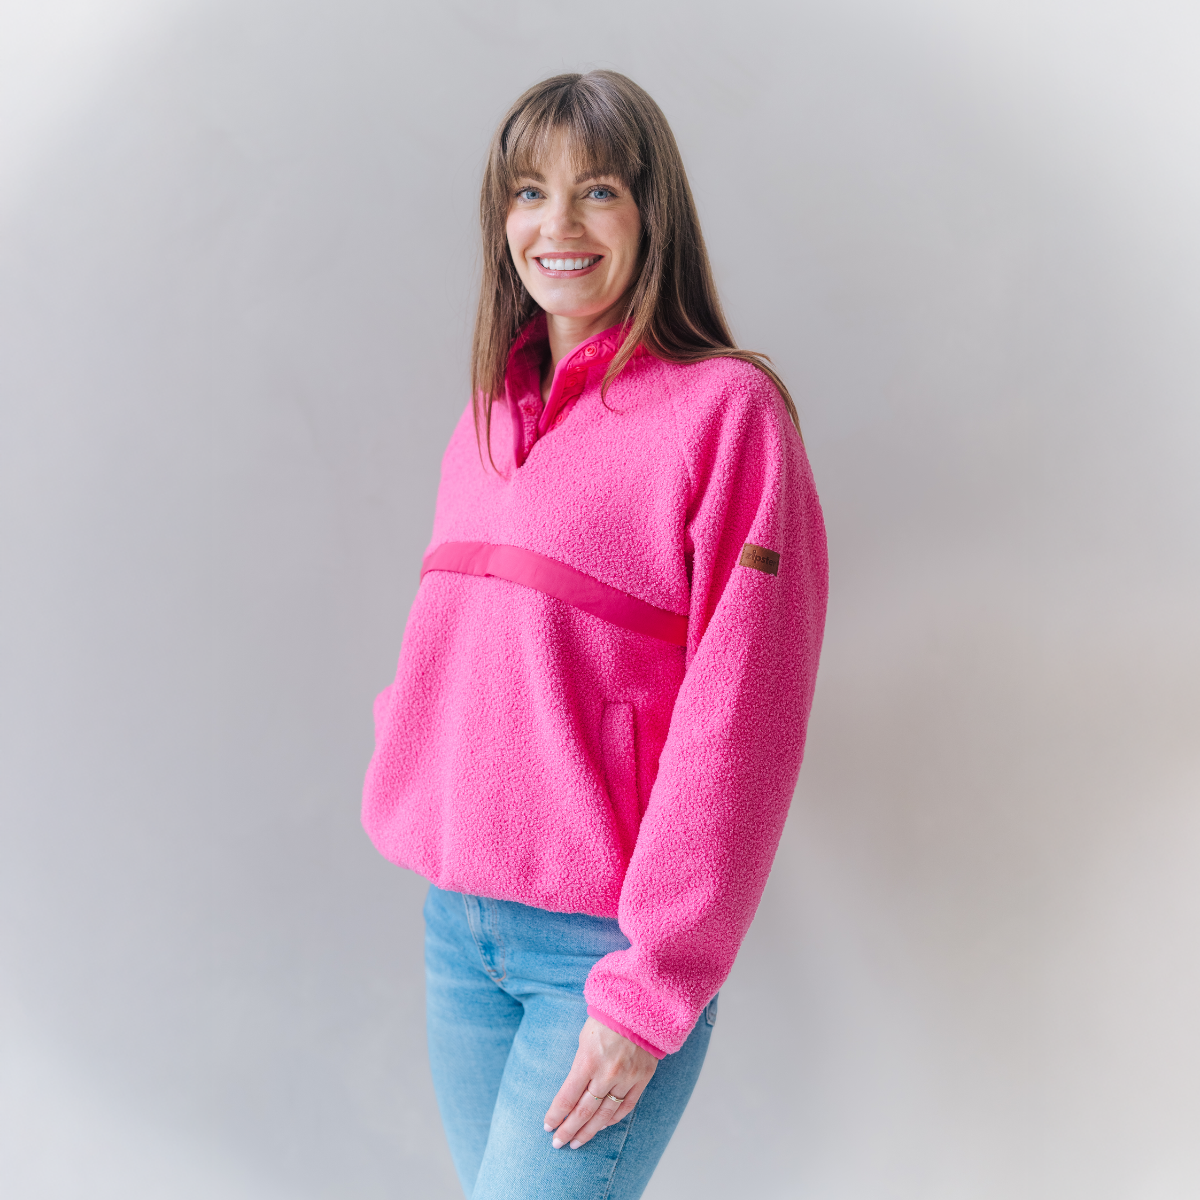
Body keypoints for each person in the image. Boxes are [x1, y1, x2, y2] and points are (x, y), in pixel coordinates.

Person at [363, 70, 828, 1200]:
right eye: (530, 192)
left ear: (651, 214)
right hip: (459, 933)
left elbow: (743, 725)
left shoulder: (729, 415)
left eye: (598, 190)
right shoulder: (486, 416)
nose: (557, 224)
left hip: (602, 956)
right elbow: (455, 651)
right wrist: (408, 764)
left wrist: (651, 985)